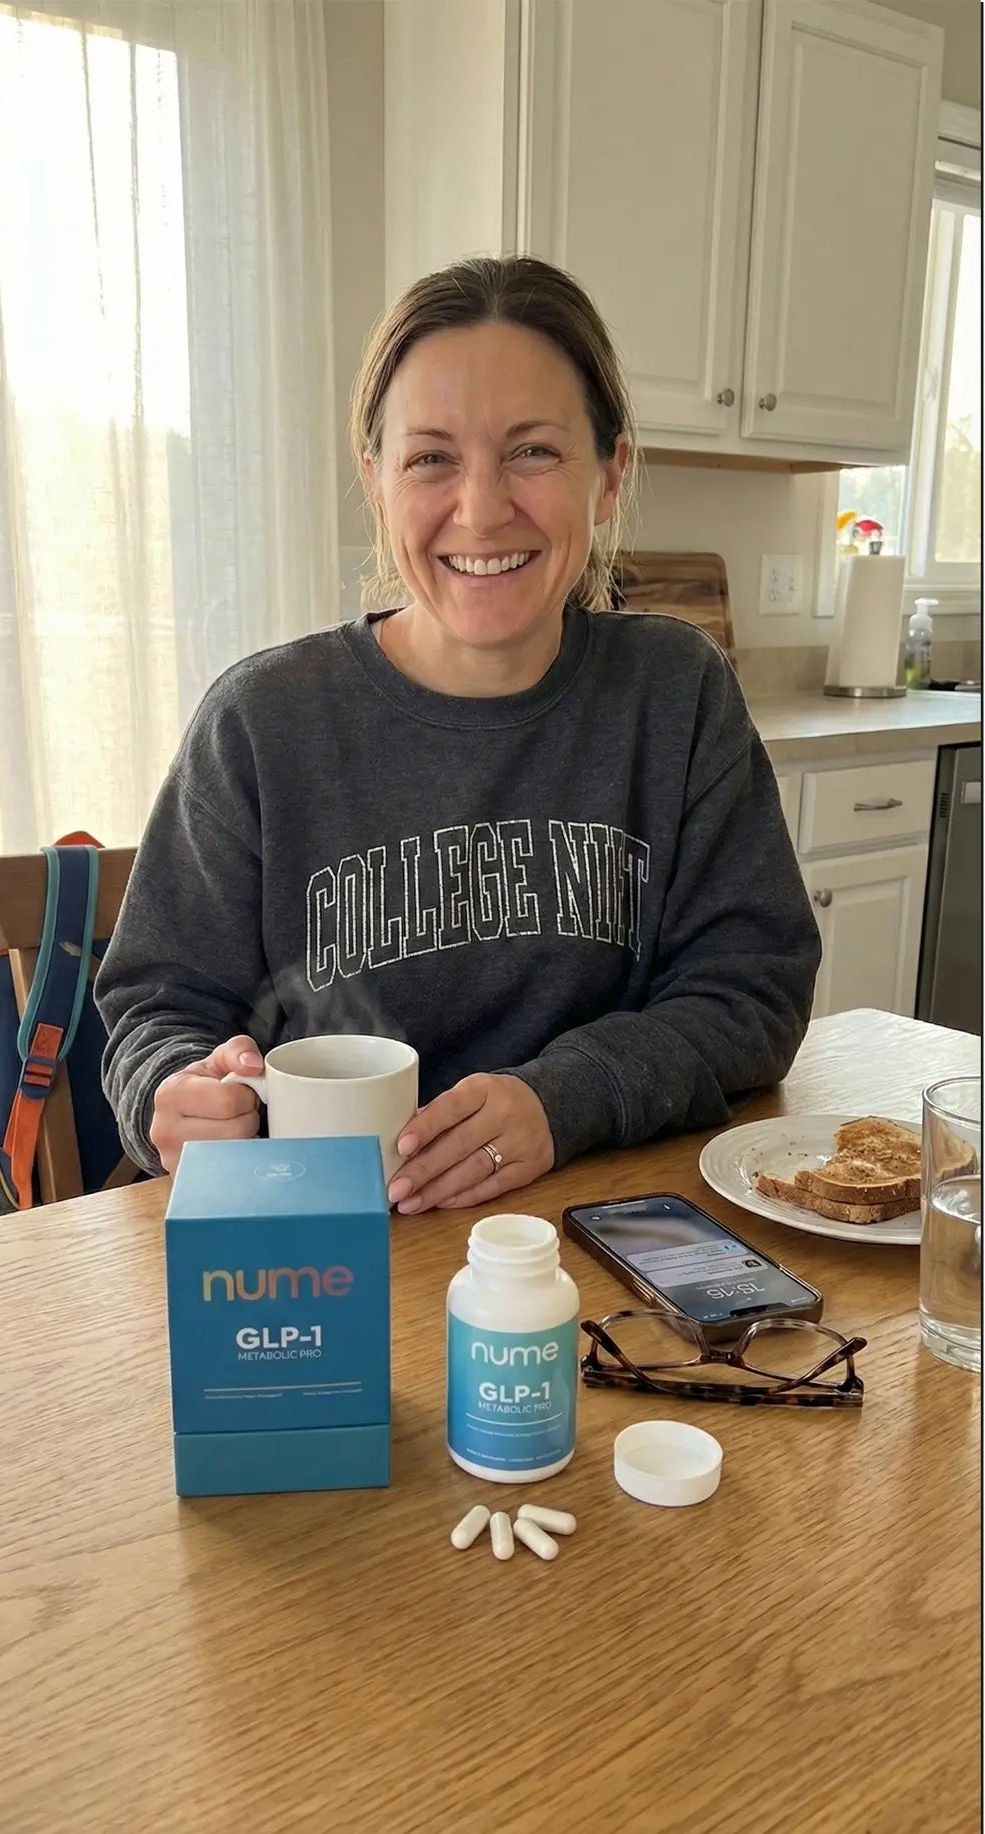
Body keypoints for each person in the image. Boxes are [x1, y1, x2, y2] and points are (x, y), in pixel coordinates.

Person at [95, 255, 821, 1213]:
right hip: (318, 1257)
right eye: (431, 457)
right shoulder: (260, 725)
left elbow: (753, 991)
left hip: (594, 1231)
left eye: (533, 452)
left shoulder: (677, 693)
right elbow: (156, 1010)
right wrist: (175, 1090)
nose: (481, 509)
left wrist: (565, 1097)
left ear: (609, 475)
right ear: (377, 480)